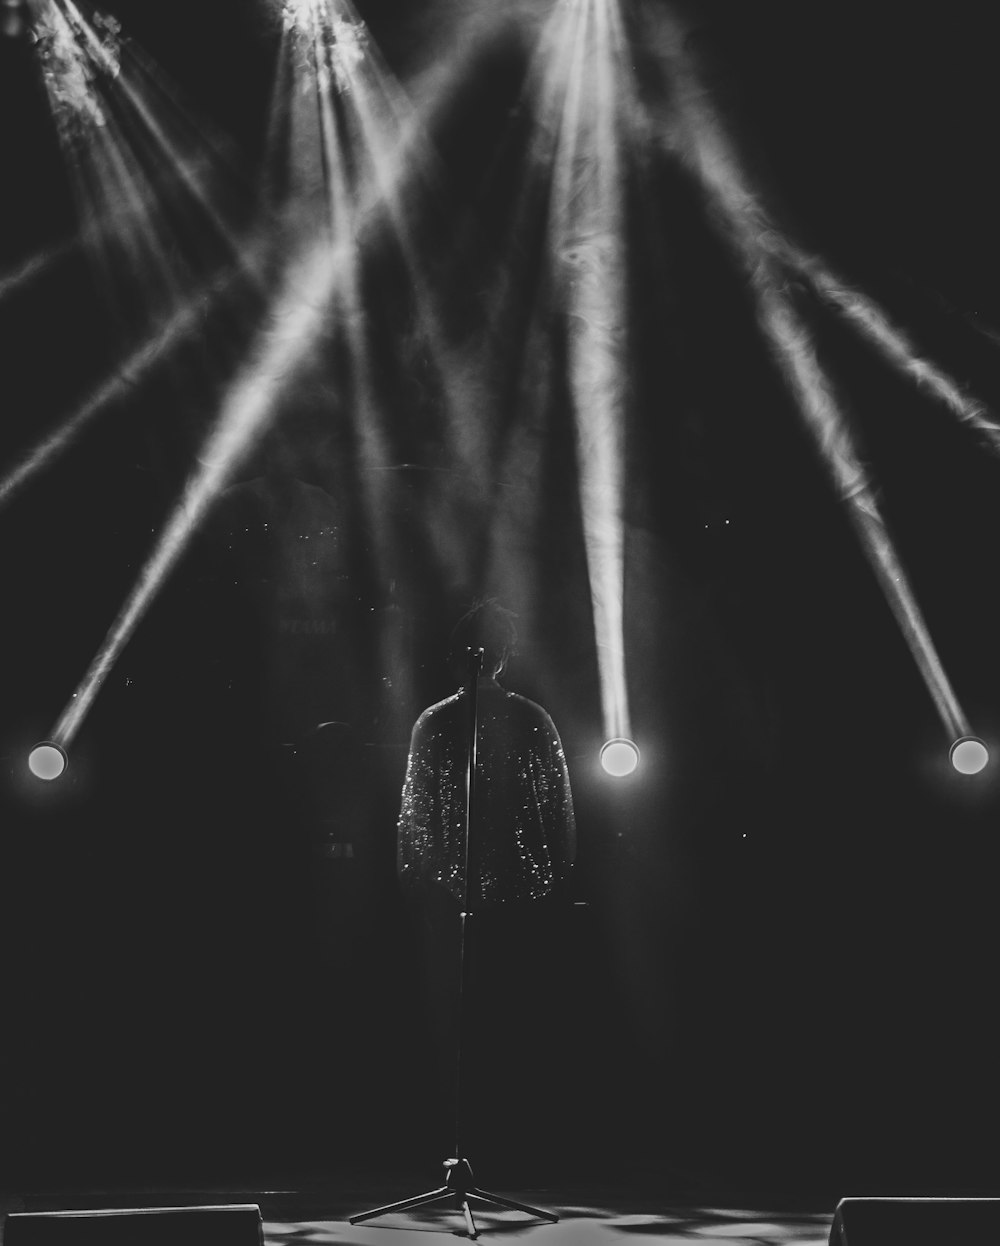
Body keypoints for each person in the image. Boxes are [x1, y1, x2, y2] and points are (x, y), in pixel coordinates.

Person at [397, 600, 576, 907]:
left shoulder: (433, 721)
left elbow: (418, 816)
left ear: (455, 655)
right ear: (504, 656)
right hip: (522, 889)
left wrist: (417, 883)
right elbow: (558, 810)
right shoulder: (533, 717)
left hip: (449, 894)